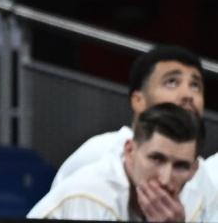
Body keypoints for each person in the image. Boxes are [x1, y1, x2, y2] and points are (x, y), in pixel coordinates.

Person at [54, 44, 204, 186]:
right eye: (171, 82)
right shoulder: (99, 153)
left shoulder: (203, 176)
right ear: (138, 100)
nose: (188, 94)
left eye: (195, 85)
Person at [31, 104, 207, 222]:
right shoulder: (91, 195)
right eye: (156, 159)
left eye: (181, 166)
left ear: (194, 170)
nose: (165, 179)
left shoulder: (195, 199)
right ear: (130, 151)